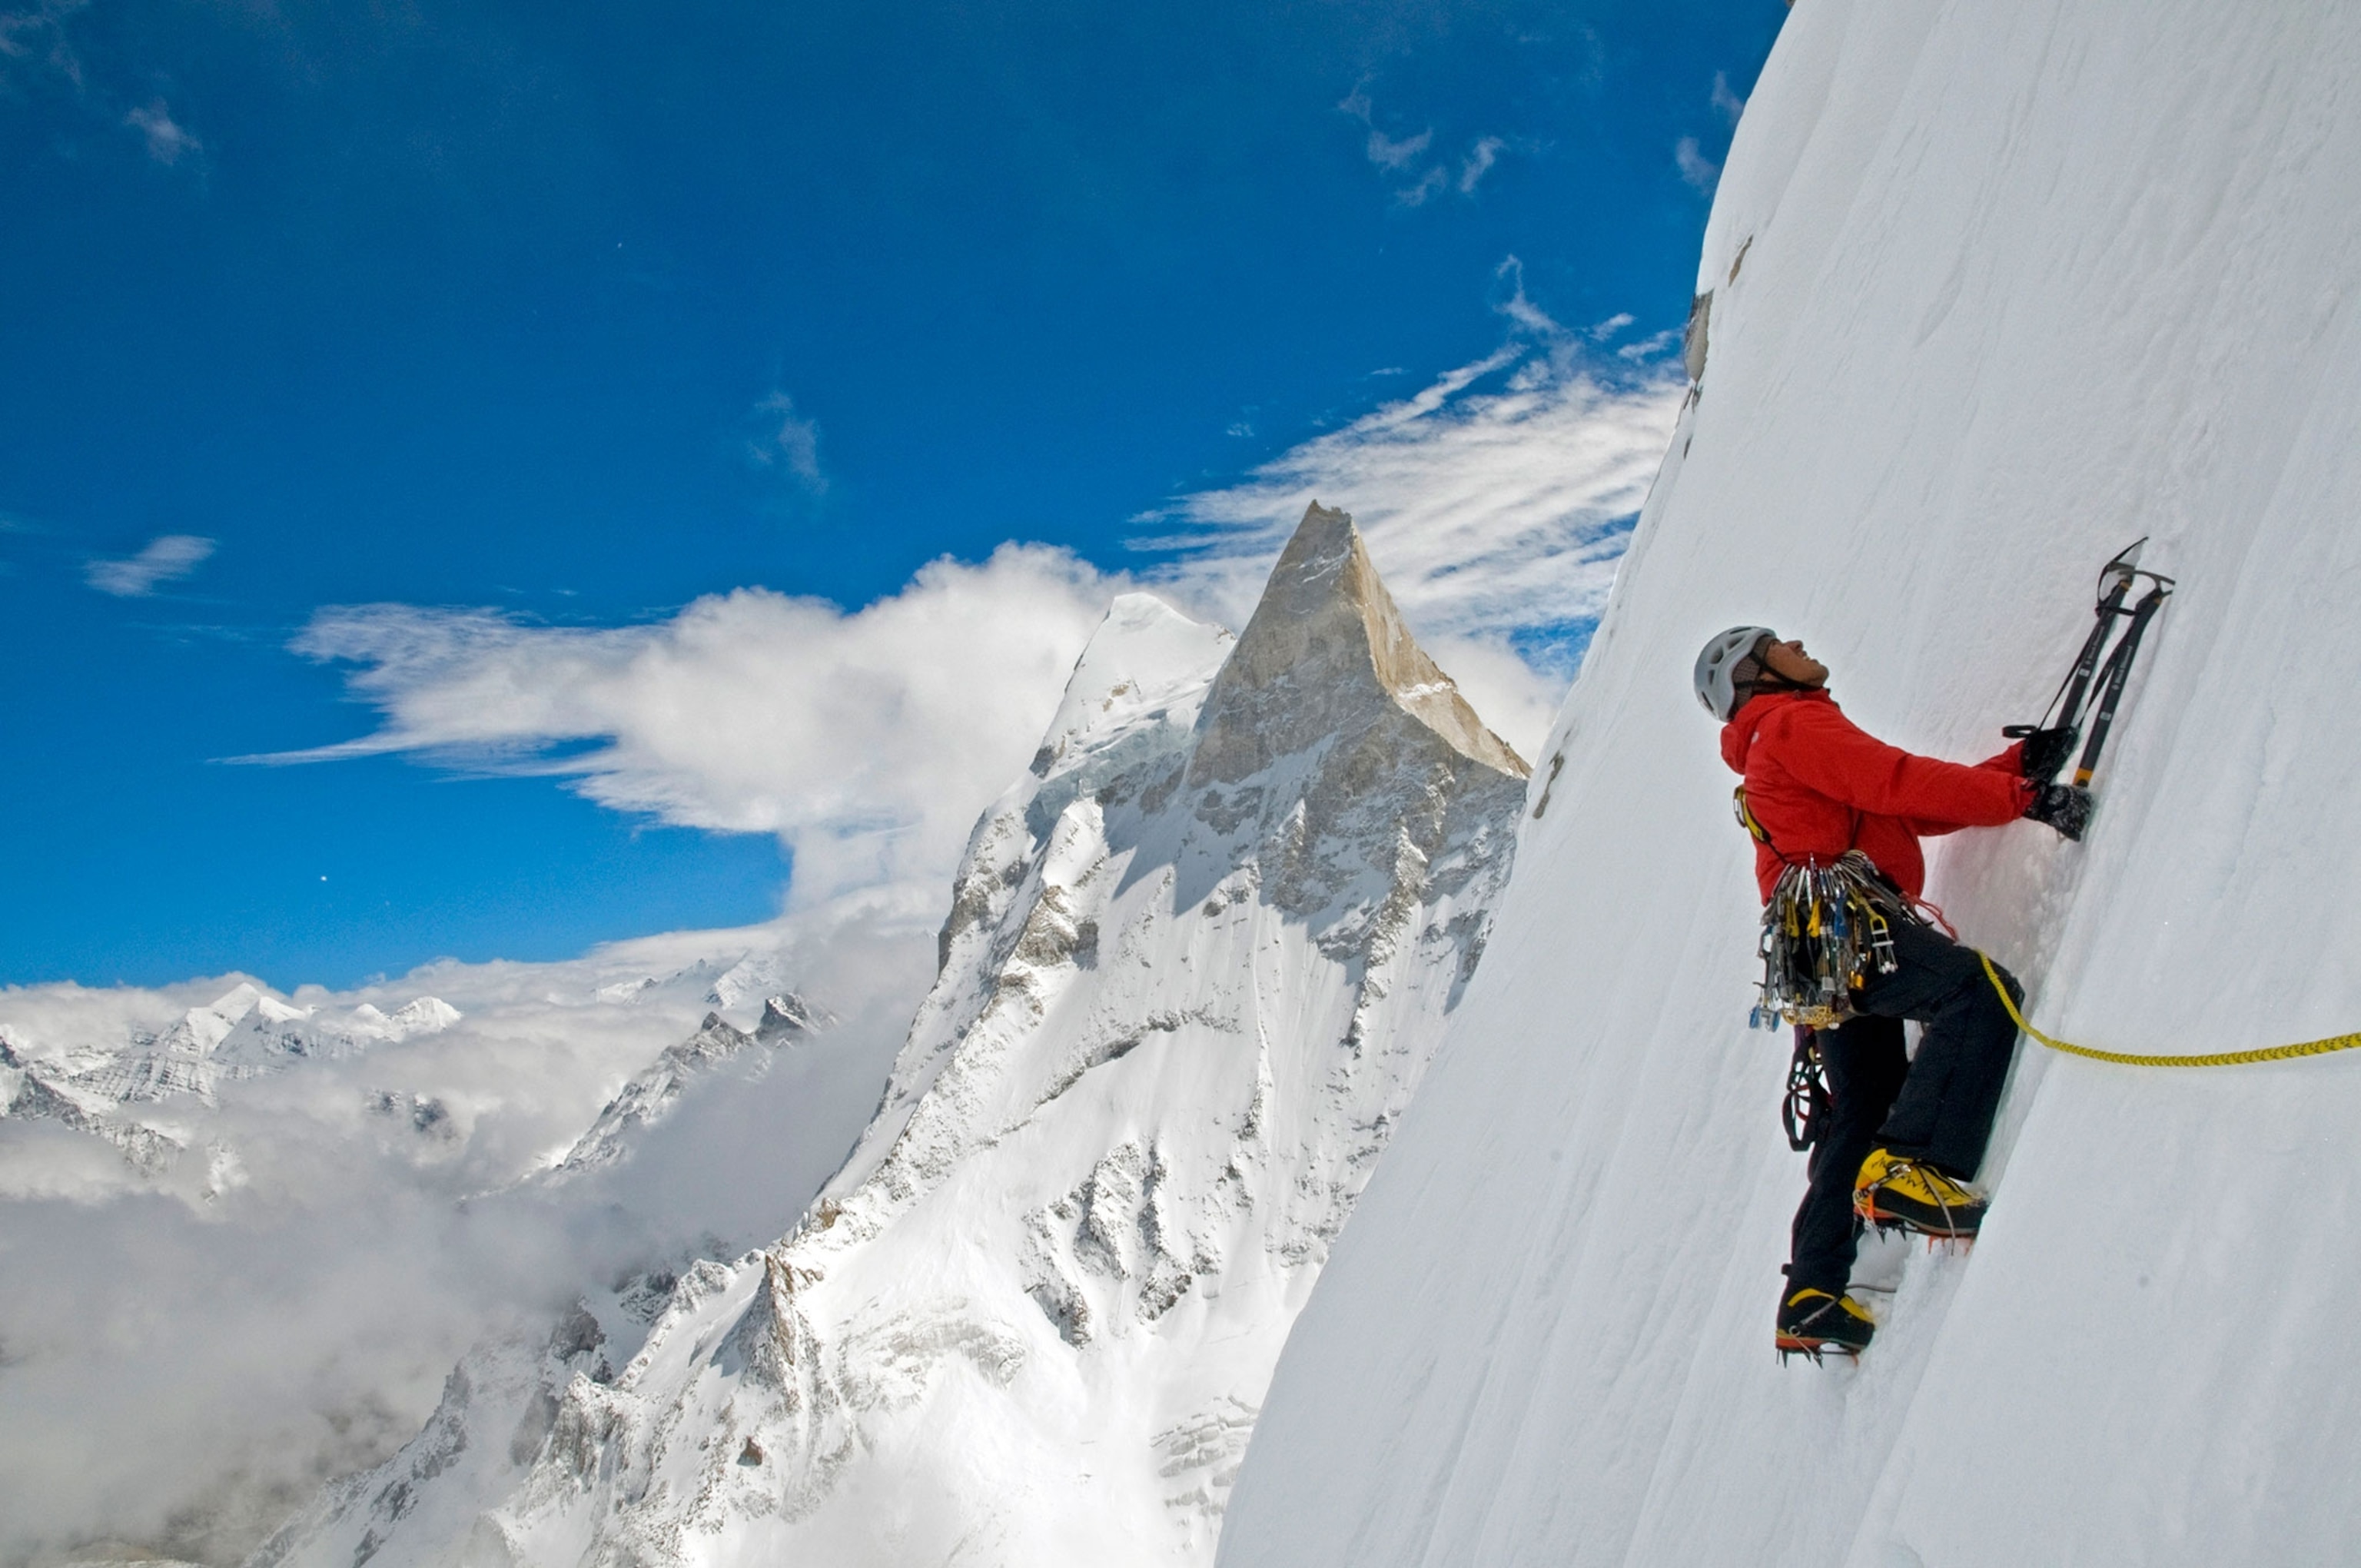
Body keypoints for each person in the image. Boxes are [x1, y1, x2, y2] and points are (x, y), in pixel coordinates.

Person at [1692, 626, 2089, 1359]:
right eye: (1775, 643)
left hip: (1814, 953)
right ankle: (1916, 1168)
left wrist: (2010, 771)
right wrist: (2028, 798)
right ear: (1754, 675)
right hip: (1848, 926)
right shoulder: (1791, 722)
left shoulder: (1774, 740)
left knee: (1865, 1102)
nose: (1796, 643)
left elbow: (1899, 807)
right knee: (1977, 994)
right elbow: (1897, 781)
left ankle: (1812, 1294)